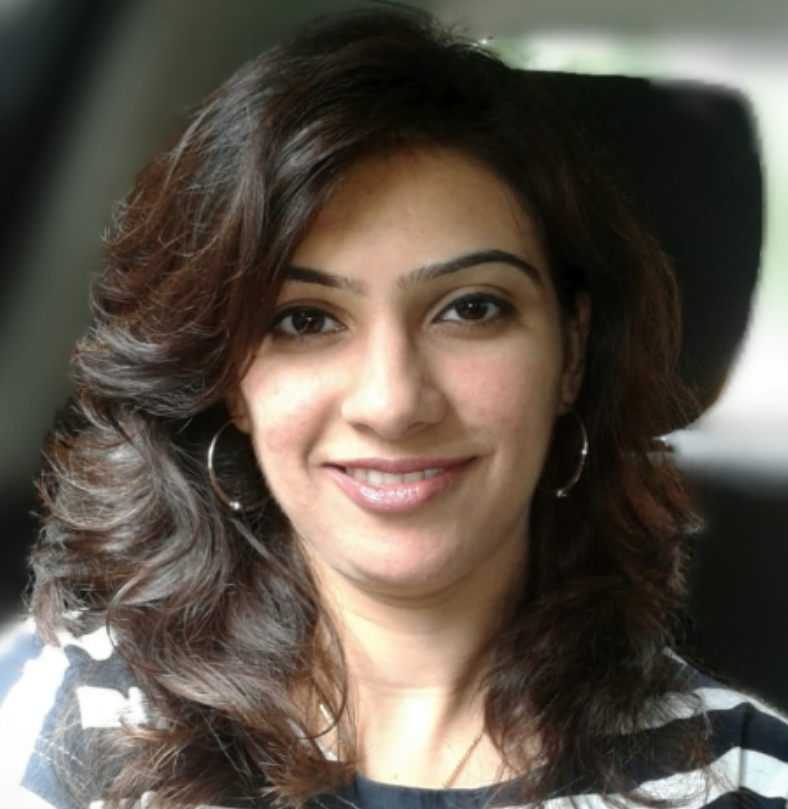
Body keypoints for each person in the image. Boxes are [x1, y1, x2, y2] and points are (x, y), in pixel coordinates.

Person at [0, 6, 786, 809]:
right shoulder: (58, 723)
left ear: (571, 351)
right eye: (305, 320)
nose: (392, 402)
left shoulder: (751, 783)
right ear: (231, 380)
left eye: (471, 308)